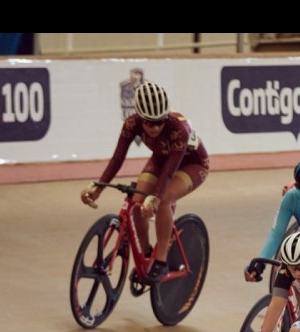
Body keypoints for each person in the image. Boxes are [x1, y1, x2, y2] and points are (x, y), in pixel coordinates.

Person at [81, 81, 210, 283]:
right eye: (149, 122)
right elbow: (117, 159)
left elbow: (169, 173)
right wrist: (99, 187)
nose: (155, 127)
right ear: (140, 117)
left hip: (192, 164)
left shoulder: (179, 130)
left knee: (164, 200)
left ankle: (161, 261)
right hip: (161, 159)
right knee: (137, 204)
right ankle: (147, 255)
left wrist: (156, 198)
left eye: (159, 121)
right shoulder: (131, 124)